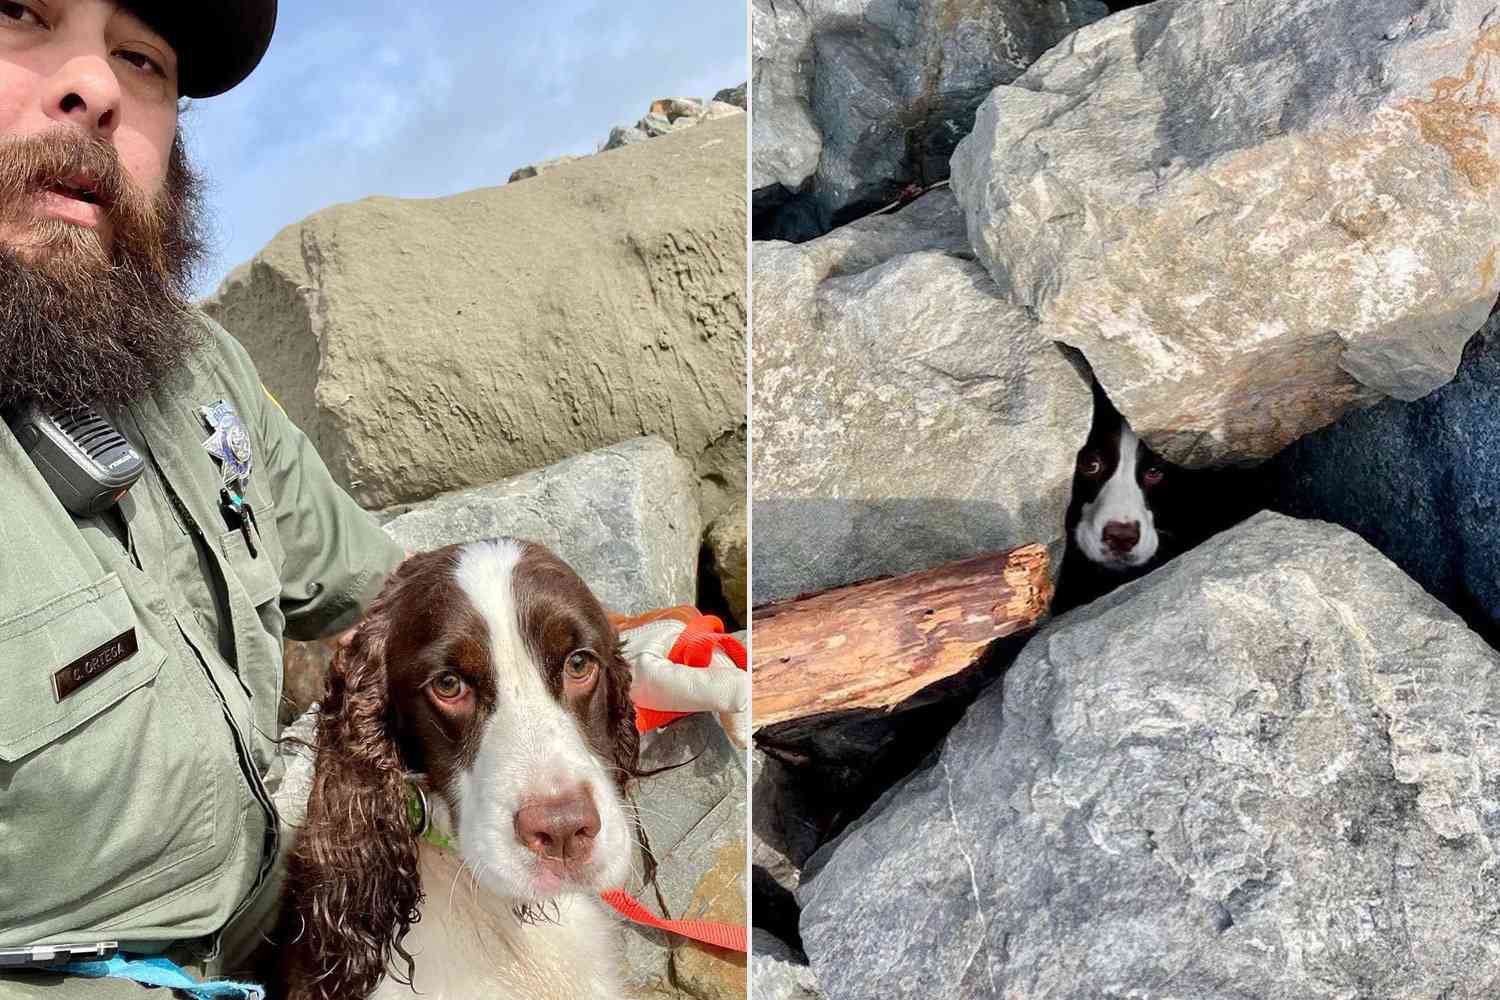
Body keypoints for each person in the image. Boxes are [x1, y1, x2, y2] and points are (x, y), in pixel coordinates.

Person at [0, 1, 411, 994]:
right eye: (19, 12)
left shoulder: (198, 369)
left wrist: (589, 655)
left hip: (276, 928)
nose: (95, 87)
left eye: (142, 58)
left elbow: (383, 596)